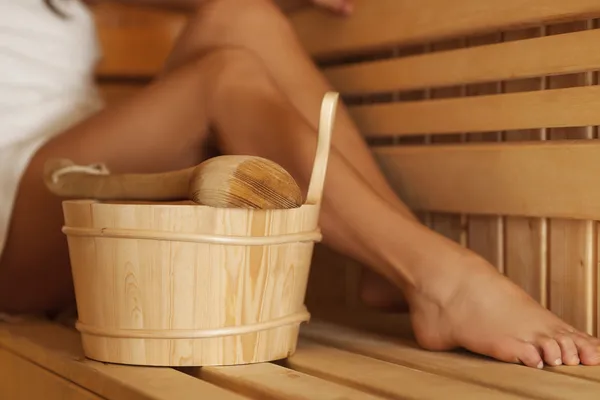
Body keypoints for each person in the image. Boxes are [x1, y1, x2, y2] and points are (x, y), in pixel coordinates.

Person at [1, 0, 599, 370]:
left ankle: (392, 262)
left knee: (240, 14)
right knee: (224, 78)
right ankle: (439, 279)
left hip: (76, 168)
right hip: (15, 219)